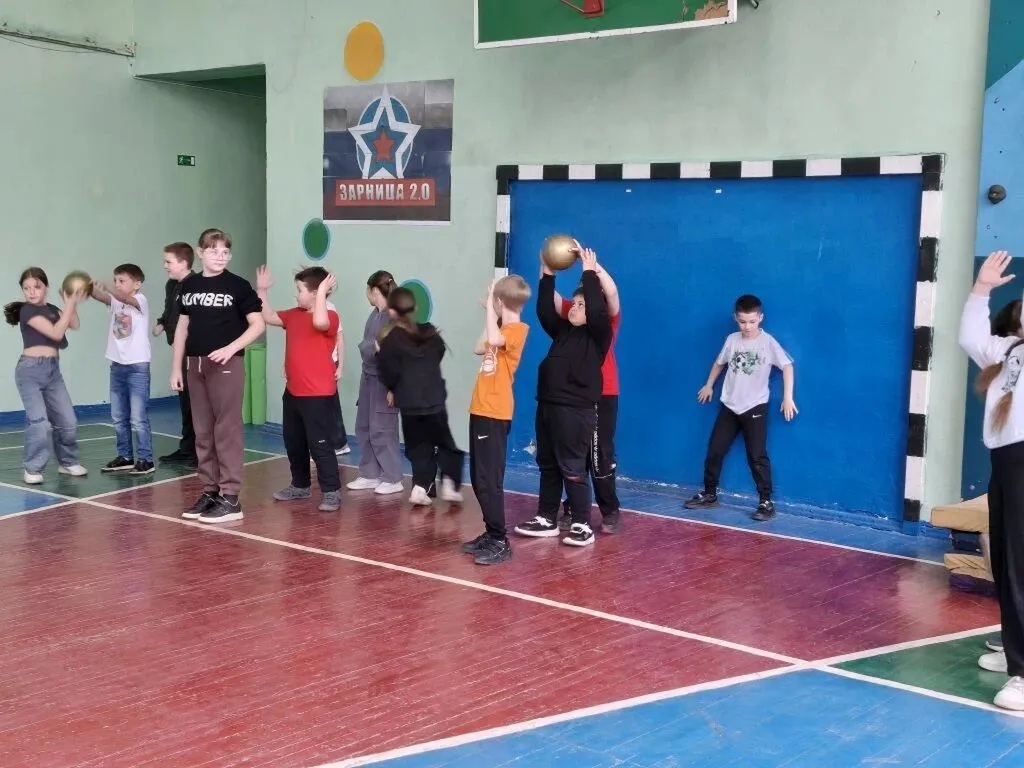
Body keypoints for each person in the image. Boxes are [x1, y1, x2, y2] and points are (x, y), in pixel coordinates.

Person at [960, 249, 1024, 712]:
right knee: (1005, 560)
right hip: (1005, 464)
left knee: (1020, 564)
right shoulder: (1007, 351)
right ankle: (1015, 643)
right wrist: (981, 288)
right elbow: (971, 335)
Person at [514, 246, 612, 547]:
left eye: (581, 304)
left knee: (572, 467)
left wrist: (589, 272)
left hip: (575, 410)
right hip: (548, 405)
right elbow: (545, 310)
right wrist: (547, 273)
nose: (575, 307)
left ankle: (582, 524)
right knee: (548, 464)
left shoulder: (599, 336)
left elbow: (598, 310)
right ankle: (546, 518)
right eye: (574, 303)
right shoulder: (564, 331)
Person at [170, 229, 264, 524]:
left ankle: (231, 497)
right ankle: (211, 491)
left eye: (225, 252)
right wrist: (176, 367)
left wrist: (231, 348)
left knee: (227, 430)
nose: (220, 257)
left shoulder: (238, 286)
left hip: (226, 366)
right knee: (203, 431)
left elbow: (258, 324)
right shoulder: (189, 285)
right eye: (213, 251)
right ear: (200, 253)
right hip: (195, 365)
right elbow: (182, 327)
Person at [684, 294, 797, 521]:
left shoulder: (768, 342)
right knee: (715, 451)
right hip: (729, 406)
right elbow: (720, 363)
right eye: (743, 321)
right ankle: (709, 494)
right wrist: (709, 385)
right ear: (735, 318)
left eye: (752, 321)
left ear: (760, 318)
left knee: (757, 456)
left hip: (755, 407)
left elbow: (787, 366)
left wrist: (788, 397)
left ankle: (765, 502)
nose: (747, 326)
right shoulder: (732, 340)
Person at [256, 265, 342, 512]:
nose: (296, 295)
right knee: (294, 442)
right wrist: (262, 291)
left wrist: (322, 292)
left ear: (315, 293)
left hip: (317, 395)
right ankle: (300, 485)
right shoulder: (294, 315)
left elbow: (320, 322)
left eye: (300, 290)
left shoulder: (330, 317)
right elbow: (268, 316)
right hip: (293, 392)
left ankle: (331, 491)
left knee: (320, 445)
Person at [461, 276, 531, 565]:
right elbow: (480, 347)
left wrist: (492, 309)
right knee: (479, 478)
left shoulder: (517, 330)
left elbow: (493, 341)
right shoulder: (501, 327)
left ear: (501, 302)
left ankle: (500, 540)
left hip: (495, 412)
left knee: (489, 480)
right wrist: (491, 313)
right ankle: (491, 533)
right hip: (481, 409)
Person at [377, 287, 464, 507]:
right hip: (434, 399)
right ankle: (450, 482)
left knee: (417, 447)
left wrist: (395, 387)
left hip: (409, 403)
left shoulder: (391, 340)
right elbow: (438, 354)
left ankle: (419, 487)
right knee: (444, 442)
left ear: (392, 311)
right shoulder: (430, 333)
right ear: (414, 307)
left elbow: (388, 373)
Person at [553, 259, 622, 534]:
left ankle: (610, 509)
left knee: (599, 454)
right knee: (575, 453)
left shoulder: (607, 319)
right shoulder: (576, 311)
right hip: (576, 395)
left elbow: (612, 293)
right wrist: (547, 268)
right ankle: (573, 507)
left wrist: (594, 267)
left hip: (603, 394)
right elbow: (553, 301)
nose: (578, 305)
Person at [4, 268, 88, 484]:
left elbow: (74, 324)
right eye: (27, 288)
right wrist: (69, 304)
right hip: (29, 372)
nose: (32, 292)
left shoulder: (52, 309)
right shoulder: (27, 311)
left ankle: (67, 462)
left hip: (53, 371)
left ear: (46, 287)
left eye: (37, 287)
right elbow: (56, 333)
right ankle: (32, 468)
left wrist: (70, 303)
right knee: (39, 423)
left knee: (68, 421)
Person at [90, 264, 155, 475]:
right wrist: (87, 287)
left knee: (138, 418)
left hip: (137, 367)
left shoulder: (140, 301)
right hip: (117, 366)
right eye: (115, 280)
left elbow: (124, 298)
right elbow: (103, 297)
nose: (117, 284)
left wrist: (109, 288)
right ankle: (125, 456)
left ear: (137, 284)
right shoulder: (117, 304)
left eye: (122, 281)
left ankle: (146, 459)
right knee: (118, 417)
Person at [347, 270, 403, 495]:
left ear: (374, 290)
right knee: (364, 427)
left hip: (384, 381)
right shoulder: (374, 315)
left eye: (367, 290)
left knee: (383, 429)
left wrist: (394, 387)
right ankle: (369, 473)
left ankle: (393, 477)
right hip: (368, 378)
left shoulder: (395, 317)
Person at [154, 242, 197, 467]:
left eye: (168, 262)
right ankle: (187, 449)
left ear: (183, 263)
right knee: (185, 402)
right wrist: (162, 323)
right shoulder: (171, 285)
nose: (165, 266)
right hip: (179, 350)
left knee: (195, 403)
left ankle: (199, 452)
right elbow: (170, 310)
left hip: (194, 352)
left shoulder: (197, 285)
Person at [325, 298, 350, 456]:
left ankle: (339, 443)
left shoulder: (330, 308)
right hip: (313, 364)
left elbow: (339, 338)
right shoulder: (303, 308)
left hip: (329, 363)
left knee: (329, 403)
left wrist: (340, 366)